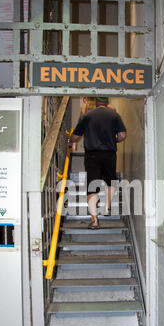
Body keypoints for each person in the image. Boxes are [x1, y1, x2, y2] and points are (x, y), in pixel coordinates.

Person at [68, 97, 127, 229]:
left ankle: (95, 221)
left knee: (91, 187)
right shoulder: (114, 115)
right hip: (109, 153)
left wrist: (70, 141)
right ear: (107, 103)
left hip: (92, 154)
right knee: (111, 181)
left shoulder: (88, 116)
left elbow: (76, 136)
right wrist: (113, 140)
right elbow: (122, 135)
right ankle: (107, 207)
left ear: (95, 103)